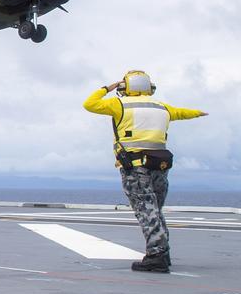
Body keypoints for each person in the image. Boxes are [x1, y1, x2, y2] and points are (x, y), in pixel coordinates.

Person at [83, 70, 207, 273]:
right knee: (155, 210)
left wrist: (109, 87)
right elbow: (181, 112)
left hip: (135, 168)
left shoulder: (119, 104)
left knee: (146, 210)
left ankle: (156, 256)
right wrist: (198, 112)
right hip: (159, 166)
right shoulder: (161, 106)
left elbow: (89, 104)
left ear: (126, 87)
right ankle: (163, 253)